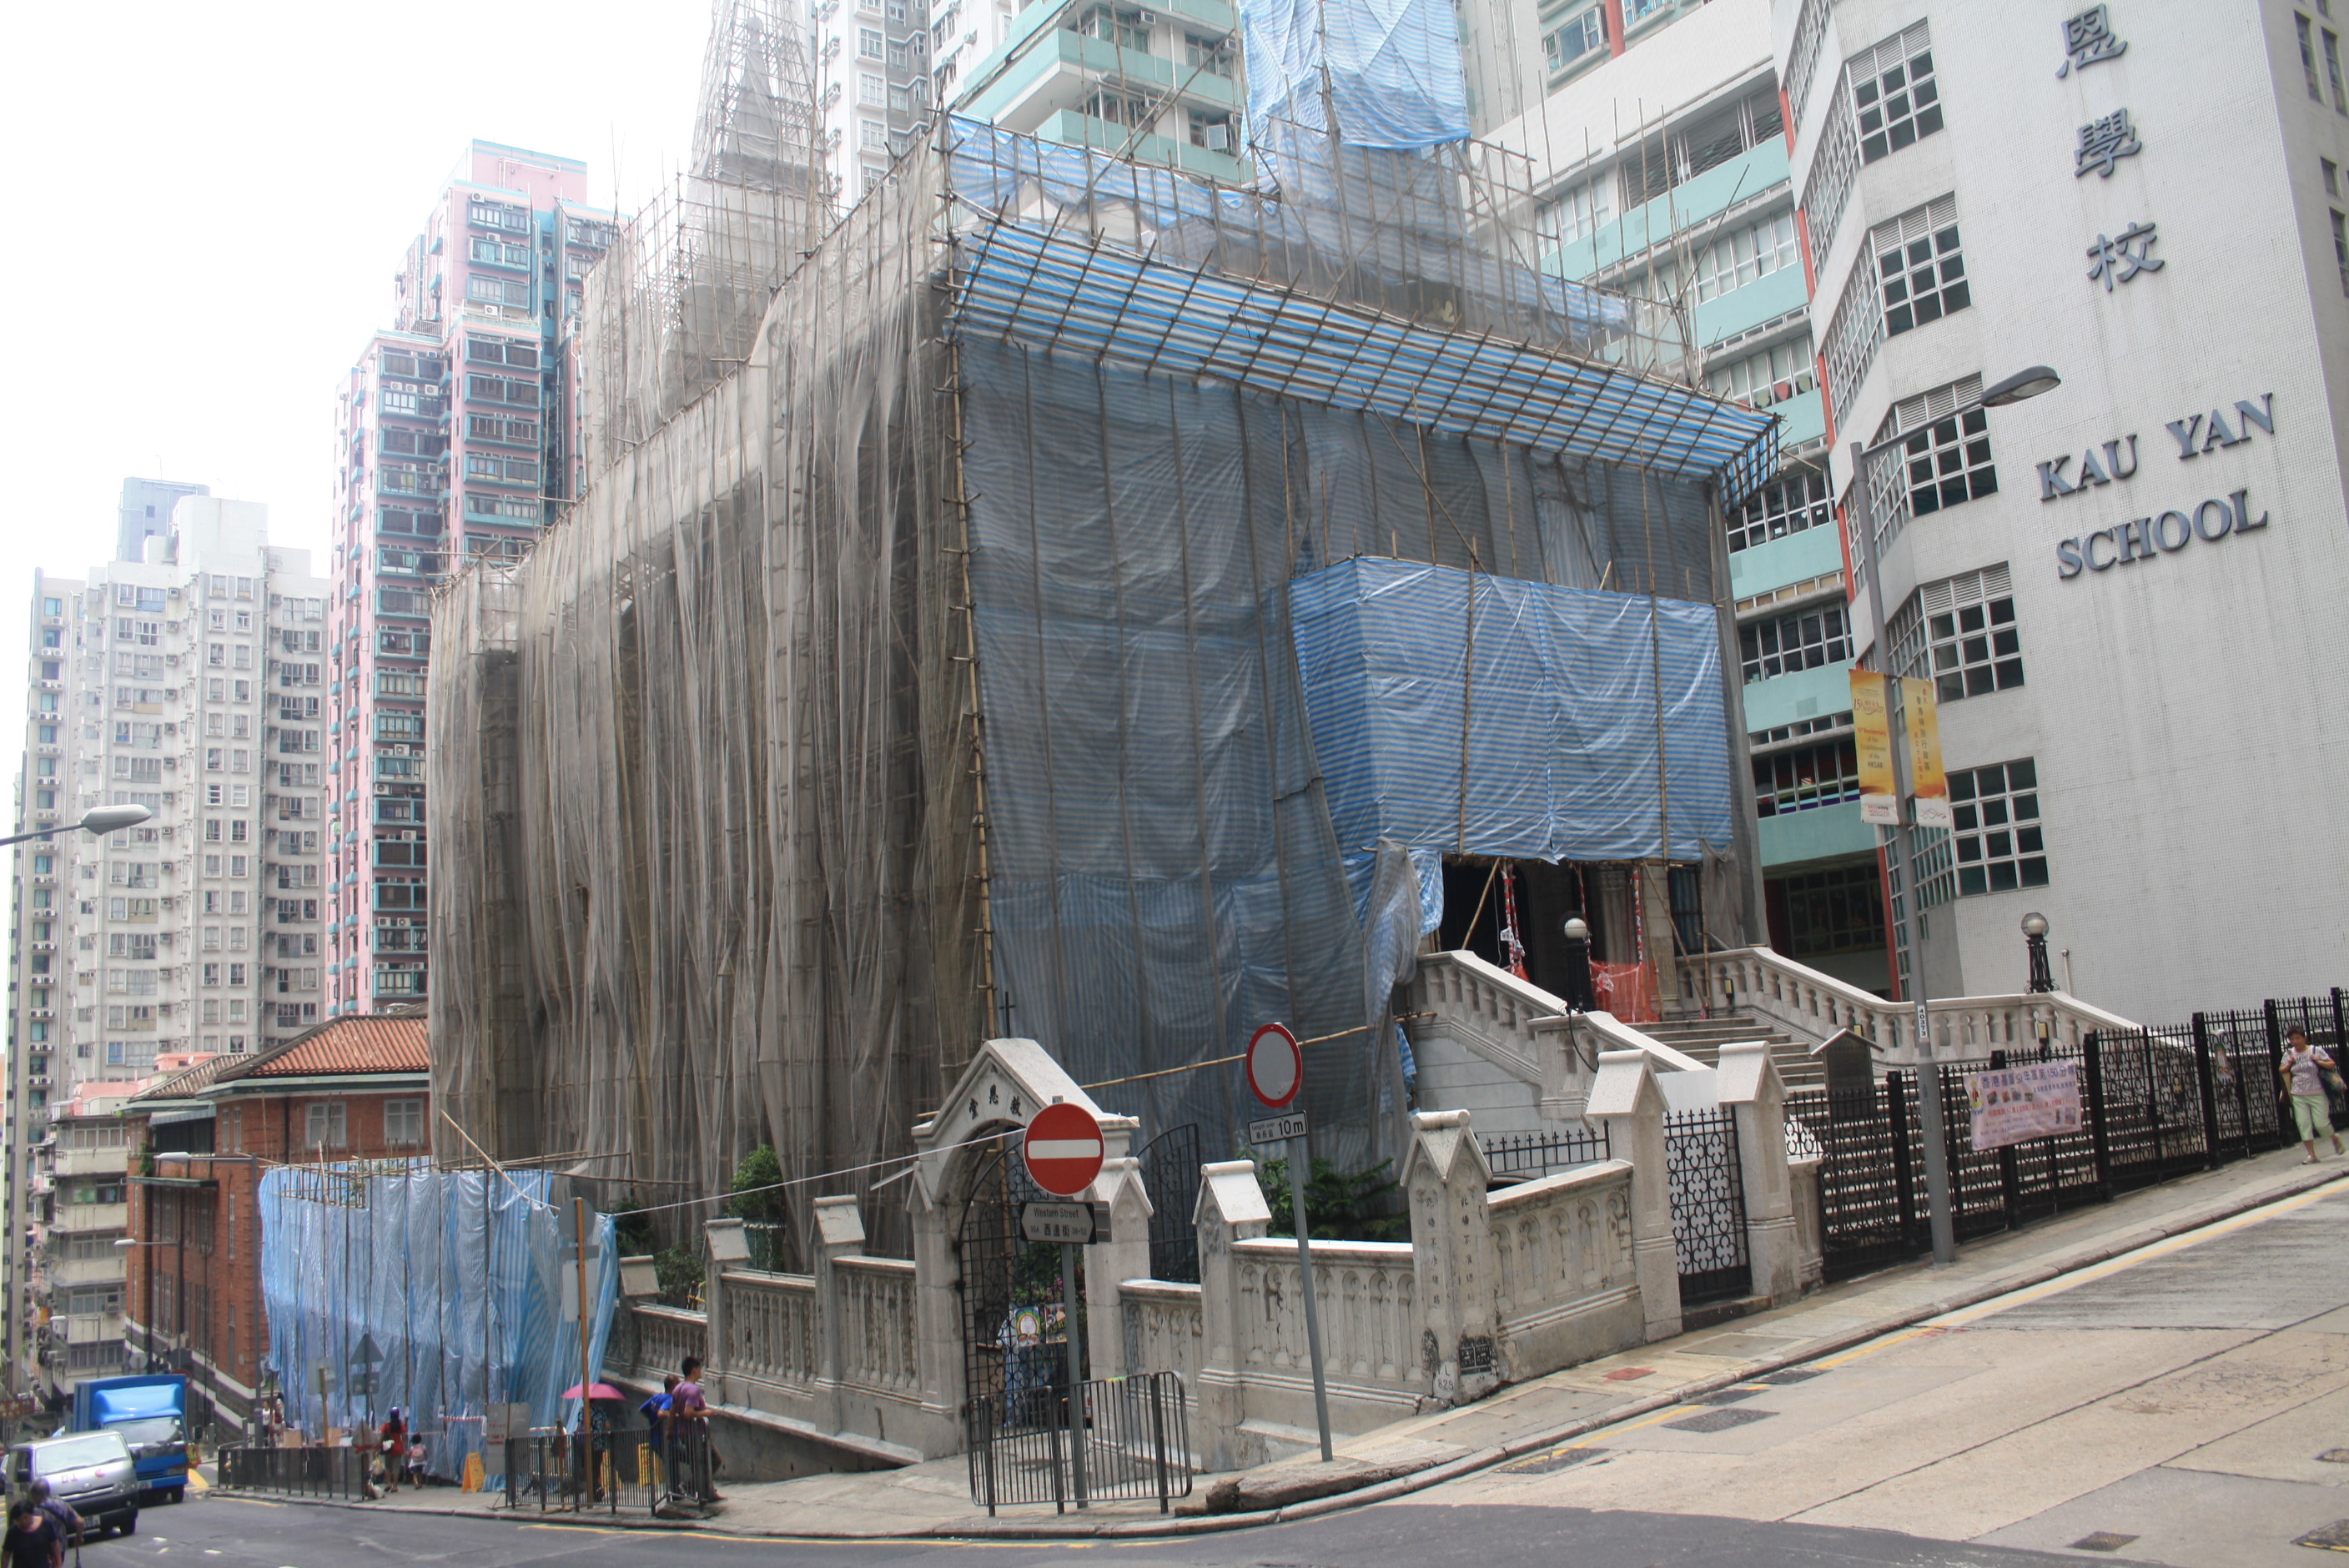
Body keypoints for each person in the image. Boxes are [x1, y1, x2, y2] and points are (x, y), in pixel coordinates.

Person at [2281, 1028, 2346, 1163]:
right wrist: (2289, 1064)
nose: (2295, 1041)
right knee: (2303, 1124)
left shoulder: (2315, 1050)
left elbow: (2332, 1064)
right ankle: (2312, 1155)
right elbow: (2281, 1069)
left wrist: (2318, 1061)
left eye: (2298, 1038)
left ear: (2304, 1038)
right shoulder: (2289, 1054)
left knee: (2321, 1124)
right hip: (2298, 1094)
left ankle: (2334, 1137)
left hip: (2317, 1092)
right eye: (2292, 1039)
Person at [666, 1357, 721, 1503]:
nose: (701, 1371)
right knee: (714, 1460)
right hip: (696, 1434)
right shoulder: (694, 1390)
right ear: (694, 1370)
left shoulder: (678, 1388)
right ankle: (690, 1486)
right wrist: (705, 1413)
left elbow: (672, 1411)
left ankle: (707, 1492)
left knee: (699, 1463)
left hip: (684, 1433)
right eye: (699, 1368)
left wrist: (670, 1430)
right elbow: (688, 1412)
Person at [639, 1375, 677, 1494]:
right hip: (665, 1439)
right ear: (674, 1386)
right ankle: (676, 1491)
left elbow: (642, 1410)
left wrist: (652, 1419)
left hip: (655, 1440)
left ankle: (675, 1491)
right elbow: (662, 1413)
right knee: (674, 1463)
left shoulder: (656, 1397)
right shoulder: (670, 1399)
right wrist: (674, 1416)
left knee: (671, 1464)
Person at [3, 1500, 59, 1568]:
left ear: (31, 1514)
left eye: (26, 1517)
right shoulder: (13, 1532)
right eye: (19, 1520)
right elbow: (6, 1555)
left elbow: (55, 1544)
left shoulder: (46, 1525)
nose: (23, 1522)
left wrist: (58, 1565)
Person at [23, 1484, 76, 1554]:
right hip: (60, 1546)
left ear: (34, 1495)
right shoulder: (61, 1504)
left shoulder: (32, 1511)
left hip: (42, 1549)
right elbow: (80, 1522)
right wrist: (79, 1538)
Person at [379, 1408, 408, 1495]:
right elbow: (404, 1439)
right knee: (396, 1468)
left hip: (388, 1448)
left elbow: (381, 1437)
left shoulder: (386, 1425)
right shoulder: (401, 1425)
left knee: (388, 1467)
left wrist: (379, 1447)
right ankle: (395, 1486)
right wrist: (405, 1450)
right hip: (398, 1448)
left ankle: (388, 1484)